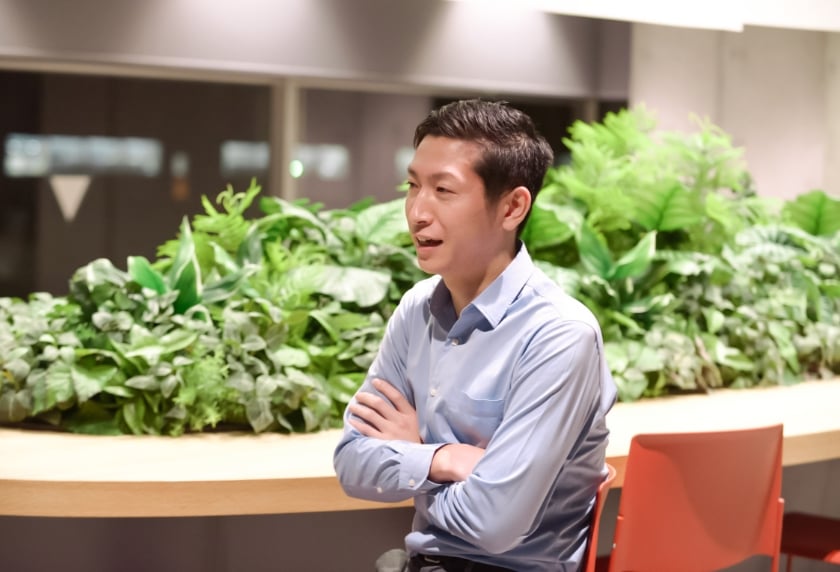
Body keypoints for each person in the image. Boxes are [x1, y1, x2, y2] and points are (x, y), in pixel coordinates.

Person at [333, 99, 616, 572]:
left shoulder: (559, 335)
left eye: (443, 190)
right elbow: (352, 464)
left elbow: (493, 524)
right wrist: (443, 459)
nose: (417, 211)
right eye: (413, 186)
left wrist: (412, 455)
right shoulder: (417, 309)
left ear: (512, 207)